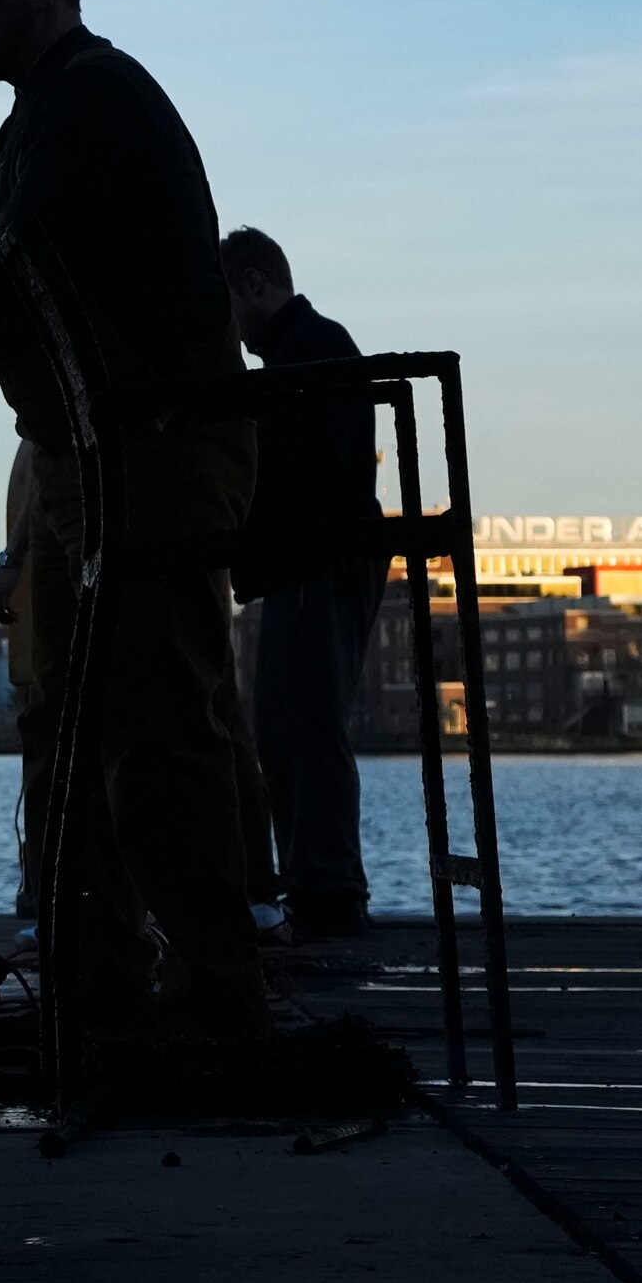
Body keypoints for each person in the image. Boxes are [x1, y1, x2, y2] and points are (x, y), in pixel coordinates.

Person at [0, 0, 270, 1065]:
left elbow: (10, 272)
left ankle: (212, 991)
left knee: (152, 720)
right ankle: (99, 979)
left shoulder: (89, 103)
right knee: (76, 719)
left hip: (155, 451)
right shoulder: (50, 112)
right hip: (90, 455)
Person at [224, 226, 381, 942]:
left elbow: (296, 469)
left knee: (303, 728)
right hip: (314, 565)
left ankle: (327, 893)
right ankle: (323, 889)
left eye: (228, 302)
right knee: (294, 730)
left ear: (254, 283)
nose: (227, 325)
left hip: (314, 564)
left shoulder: (309, 352)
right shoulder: (317, 345)